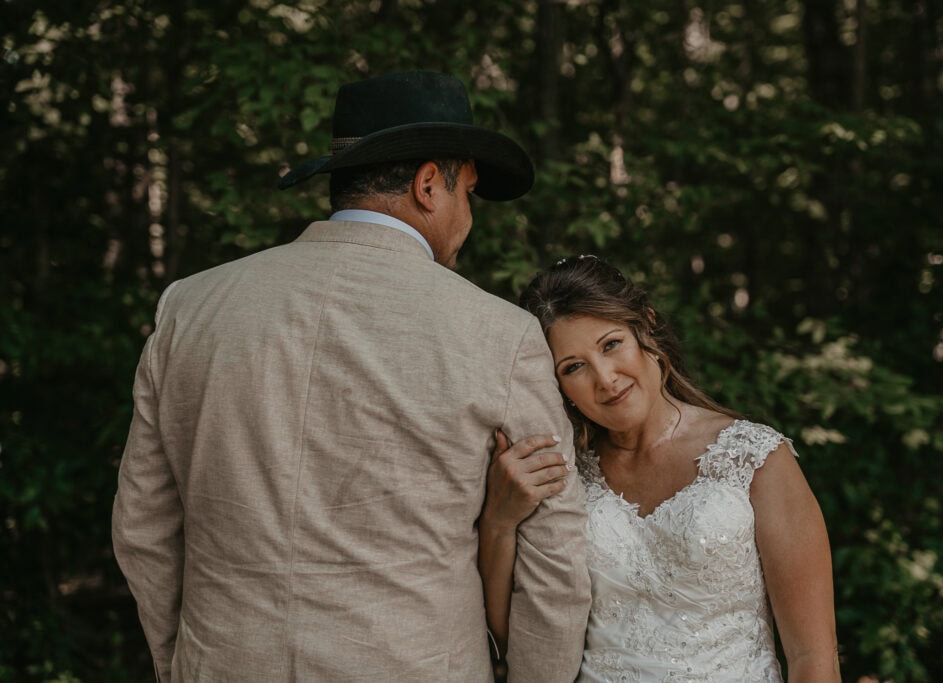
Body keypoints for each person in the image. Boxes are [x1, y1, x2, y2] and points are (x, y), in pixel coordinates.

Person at [111, 71, 590, 682]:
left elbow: (143, 527)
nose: (468, 217)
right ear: (427, 186)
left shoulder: (192, 307)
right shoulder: (499, 333)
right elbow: (553, 550)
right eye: (466, 192)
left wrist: (182, 662)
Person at [479, 255, 841, 682]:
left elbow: (813, 658)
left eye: (611, 344)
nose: (605, 379)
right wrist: (499, 521)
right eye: (574, 367)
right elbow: (513, 637)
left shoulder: (753, 456)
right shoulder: (562, 474)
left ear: (646, 327)